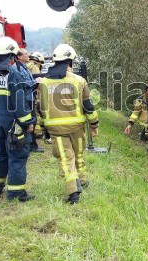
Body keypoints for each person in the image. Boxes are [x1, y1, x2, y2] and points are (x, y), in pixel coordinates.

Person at [37, 44, 98, 204]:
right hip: (77, 127)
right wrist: (94, 124)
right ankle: (82, 181)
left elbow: (41, 108)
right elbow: (88, 106)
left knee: (65, 158)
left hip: (56, 130)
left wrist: (43, 128)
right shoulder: (79, 80)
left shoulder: (43, 83)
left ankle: (73, 192)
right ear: (71, 61)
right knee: (78, 154)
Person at [0, 36, 36, 202]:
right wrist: (28, 123)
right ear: (12, 56)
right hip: (14, 126)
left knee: (0, 155)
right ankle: (15, 193)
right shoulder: (12, 73)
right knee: (17, 157)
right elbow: (19, 105)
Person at [14, 48, 44, 153]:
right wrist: (36, 81)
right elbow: (23, 84)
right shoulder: (17, 68)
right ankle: (31, 145)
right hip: (26, 99)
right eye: (26, 54)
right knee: (30, 122)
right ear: (19, 56)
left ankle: (29, 144)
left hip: (29, 97)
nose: (28, 55)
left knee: (32, 121)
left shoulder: (24, 67)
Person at [26, 51, 48, 142]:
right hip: (33, 94)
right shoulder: (34, 66)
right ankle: (37, 132)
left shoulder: (27, 65)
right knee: (36, 114)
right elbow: (37, 81)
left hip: (27, 94)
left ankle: (35, 132)